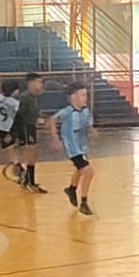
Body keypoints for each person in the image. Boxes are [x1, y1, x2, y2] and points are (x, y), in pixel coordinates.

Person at [52, 81, 95, 216]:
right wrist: (55, 138)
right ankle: (84, 202)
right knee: (88, 172)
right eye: (82, 95)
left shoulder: (86, 110)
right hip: (72, 148)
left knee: (80, 169)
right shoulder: (67, 111)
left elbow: (88, 124)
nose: (85, 98)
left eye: (85, 95)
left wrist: (92, 131)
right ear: (73, 97)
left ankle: (71, 189)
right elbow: (52, 119)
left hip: (82, 146)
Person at [12, 72, 47, 193]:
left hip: (31, 127)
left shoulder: (35, 97)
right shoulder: (25, 97)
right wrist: (19, 134)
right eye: (39, 82)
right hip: (25, 128)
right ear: (31, 83)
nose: (41, 84)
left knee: (33, 154)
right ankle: (29, 182)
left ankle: (28, 180)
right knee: (31, 154)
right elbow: (19, 115)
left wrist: (38, 119)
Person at [0, 78, 23, 181]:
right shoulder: (14, 102)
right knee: (11, 149)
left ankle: (18, 167)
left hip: (0, 127)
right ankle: (19, 168)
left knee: (10, 148)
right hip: (10, 127)